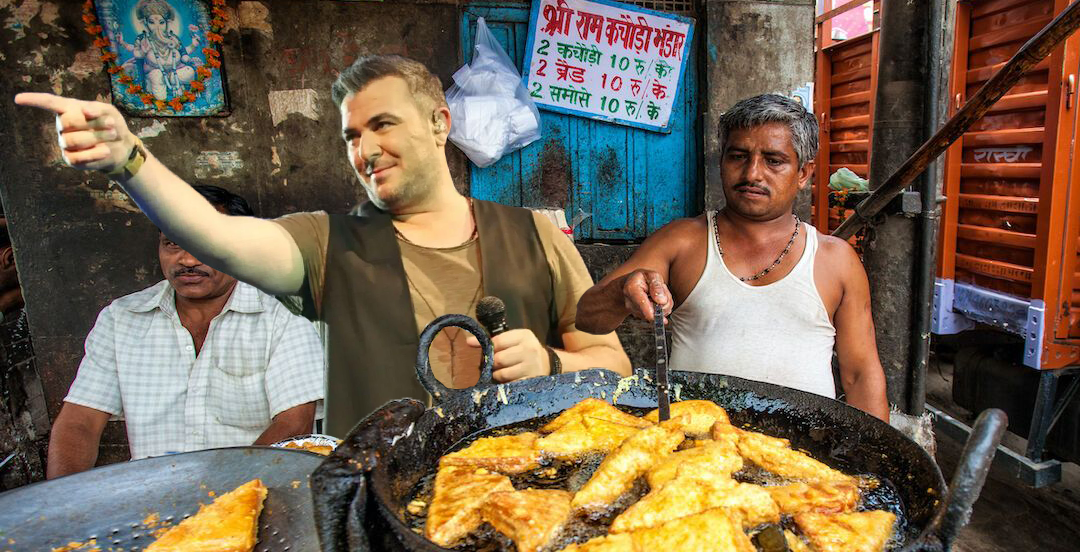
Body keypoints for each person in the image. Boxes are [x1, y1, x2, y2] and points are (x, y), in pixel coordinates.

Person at [17, 55, 630, 437]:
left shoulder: (536, 235)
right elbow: (221, 238)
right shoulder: (327, 244)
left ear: (440, 123)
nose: (364, 151)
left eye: (382, 125)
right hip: (379, 514)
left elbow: (615, 369)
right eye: (351, 136)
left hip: (525, 504)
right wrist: (130, 159)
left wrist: (554, 366)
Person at [576, 93, 889, 421]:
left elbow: (860, 375)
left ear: (803, 173)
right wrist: (622, 291)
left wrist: (880, 466)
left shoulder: (835, 259)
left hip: (802, 454)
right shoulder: (683, 240)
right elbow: (587, 318)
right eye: (738, 156)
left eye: (773, 160)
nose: (752, 173)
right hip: (692, 451)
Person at [46, 185, 325, 478]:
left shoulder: (284, 313)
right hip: (151, 494)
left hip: (251, 489)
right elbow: (80, 422)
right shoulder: (122, 318)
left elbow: (294, 424)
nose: (188, 260)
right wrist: (62, 503)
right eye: (173, 244)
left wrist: (219, 497)